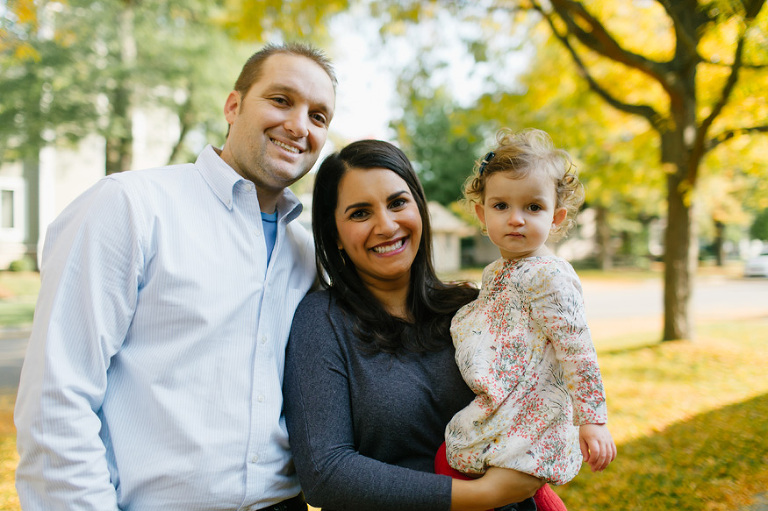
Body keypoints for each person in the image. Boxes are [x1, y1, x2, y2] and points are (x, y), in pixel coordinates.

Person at [14, 42, 337, 511]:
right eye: (281, 99)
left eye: (318, 116)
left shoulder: (306, 251)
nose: (298, 125)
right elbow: (55, 400)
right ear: (233, 105)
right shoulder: (129, 207)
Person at [283, 139, 568, 511]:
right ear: (334, 232)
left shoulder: (473, 305)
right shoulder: (322, 322)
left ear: (419, 207)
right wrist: (481, 496)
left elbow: (541, 392)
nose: (386, 225)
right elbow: (326, 474)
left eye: (398, 202)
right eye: (359, 213)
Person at [435, 128, 616, 495]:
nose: (516, 218)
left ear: (556, 218)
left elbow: (577, 348)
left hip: (531, 413)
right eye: (501, 206)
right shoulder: (496, 272)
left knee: (480, 475)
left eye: (533, 207)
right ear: (481, 214)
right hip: (500, 402)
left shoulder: (550, 275)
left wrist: (592, 420)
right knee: (447, 460)